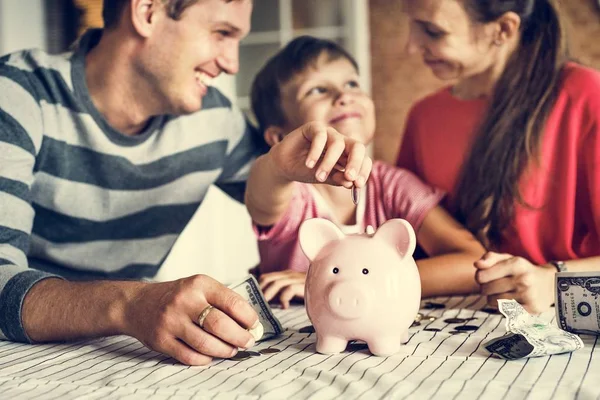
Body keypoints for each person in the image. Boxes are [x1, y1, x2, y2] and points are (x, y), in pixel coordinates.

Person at [0, 0, 372, 366]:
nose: (231, 63)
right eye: (221, 33)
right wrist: (129, 304)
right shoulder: (16, 93)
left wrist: (277, 169)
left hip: (113, 355)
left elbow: (268, 207)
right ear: (147, 12)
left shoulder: (215, 120)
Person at [244, 36, 485, 308]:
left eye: (351, 84)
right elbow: (262, 202)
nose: (344, 95)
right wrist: (277, 166)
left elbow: (472, 261)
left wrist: (363, 281)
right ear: (279, 138)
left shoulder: (393, 185)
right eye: (317, 90)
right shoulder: (291, 193)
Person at [396, 0, 600, 314]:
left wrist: (553, 279)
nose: (411, 46)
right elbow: (407, 240)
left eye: (432, 31)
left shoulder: (587, 95)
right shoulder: (423, 117)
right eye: (411, 25)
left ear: (503, 29)